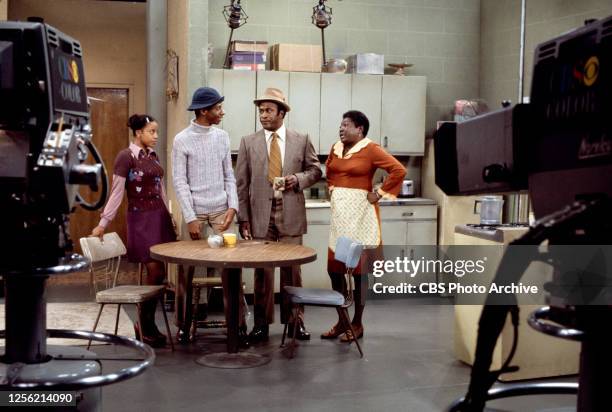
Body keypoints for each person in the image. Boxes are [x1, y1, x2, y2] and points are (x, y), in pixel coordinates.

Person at [236, 88, 322, 343]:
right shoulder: (248, 142)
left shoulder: (301, 139)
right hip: (260, 215)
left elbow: (316, 170)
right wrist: (243, 218)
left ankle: (296, 322)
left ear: (282, 113)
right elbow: (241, 184)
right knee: (262, 273)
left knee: (292, 271)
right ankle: (261, 324)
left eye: (268, 110)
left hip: (291, 213)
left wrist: (297, 179)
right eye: (260, 111)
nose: (263, 115)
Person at [91, 114, 175, 348]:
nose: (156, 136)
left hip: (159, 217)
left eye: (157, 131)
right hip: (141, 219)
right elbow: (117, 192)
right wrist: (103, 223)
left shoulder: (153, 156)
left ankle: (147, 323)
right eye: (152, 131)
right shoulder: (125, 157)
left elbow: (161, 189)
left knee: (160, 274)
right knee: (155, 272)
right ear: (138, 133)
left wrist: (169, 216)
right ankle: (144, 324)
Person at [172, 86, 247, 346]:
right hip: (195, 212)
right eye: (218, 108)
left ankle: (238, 325)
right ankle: (183, 325)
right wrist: (190, 216)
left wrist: (233, 208)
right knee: (186, 271)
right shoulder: (182, 139)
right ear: (204, 111)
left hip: (221, 211)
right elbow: (179, 181)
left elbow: (229, 175)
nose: (222, 112)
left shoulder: (223, 137)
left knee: (232, 270)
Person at [322, 110, 406, 343]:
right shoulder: (335, 148)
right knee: (335, 269)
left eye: (346, 125)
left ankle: (357, 323)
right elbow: (329, 170)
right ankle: (342, 320)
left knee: (358, 272)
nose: (341, 128)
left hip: (361, 215)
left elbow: (398, 170)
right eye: (340, 124)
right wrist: (332, 190)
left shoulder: (371, 149)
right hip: (340, 216)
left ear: (360, 129)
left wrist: (379, 193)